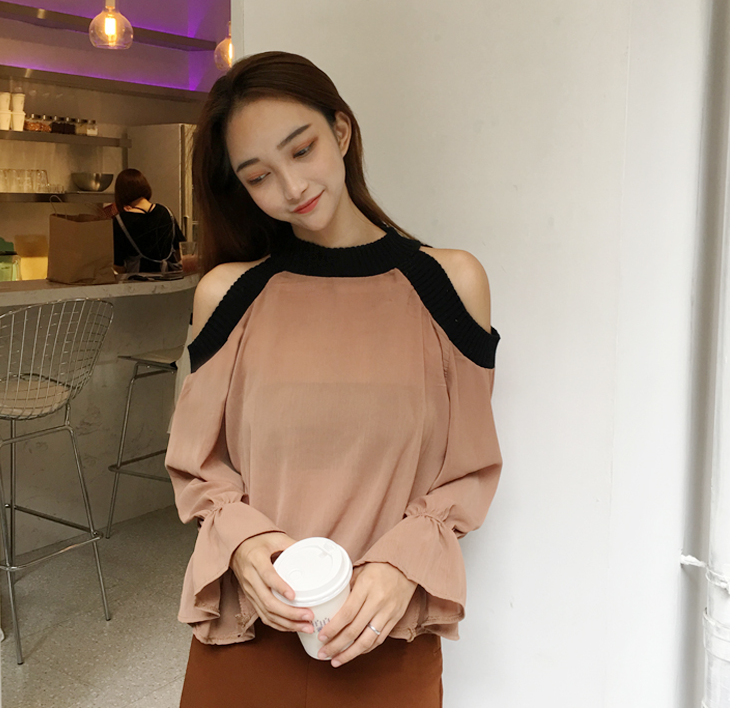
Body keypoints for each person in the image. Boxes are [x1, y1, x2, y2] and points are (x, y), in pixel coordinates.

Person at [165, 51, 502, 708]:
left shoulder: (449, 284)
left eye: (303, 149)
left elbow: (467, 469)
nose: (292, 186)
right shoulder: (228, 294)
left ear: (341, 132)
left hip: (382, 635)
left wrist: (404, 563)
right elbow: (199, 463)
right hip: (248, 630)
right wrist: (242, 541)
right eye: (259, 176)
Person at [111, 167, 184, 273]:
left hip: (137, 281)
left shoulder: (121, 220)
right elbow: (180, 251)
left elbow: (118, 265)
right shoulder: (166, 212)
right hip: (169, 278)